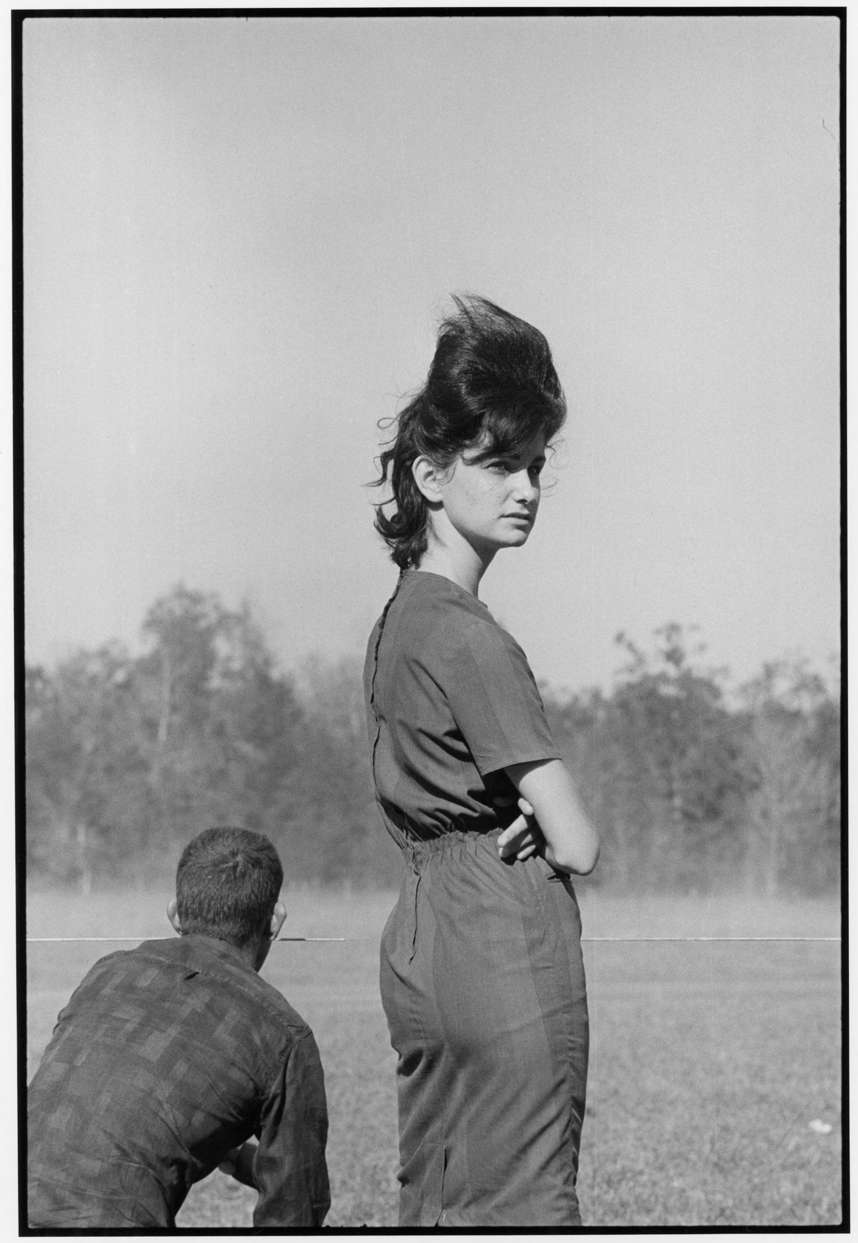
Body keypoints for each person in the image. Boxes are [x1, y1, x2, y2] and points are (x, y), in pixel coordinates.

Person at [364, 295, 600, 1228]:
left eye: (535, 464)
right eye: (499, 463)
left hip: (421, 932)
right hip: (501, 934)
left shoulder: (397, 623)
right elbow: (578, 842)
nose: (527, 487)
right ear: (429, 473)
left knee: (440, 1196)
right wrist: (546, 811)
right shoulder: (469, 636)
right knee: (523, 1204)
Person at [27, 827, 330, 1229]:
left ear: (174, 914)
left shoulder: (107, 972)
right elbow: (295, 1210)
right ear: (275, 920)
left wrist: (235, 1157)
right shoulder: (283, 1036)